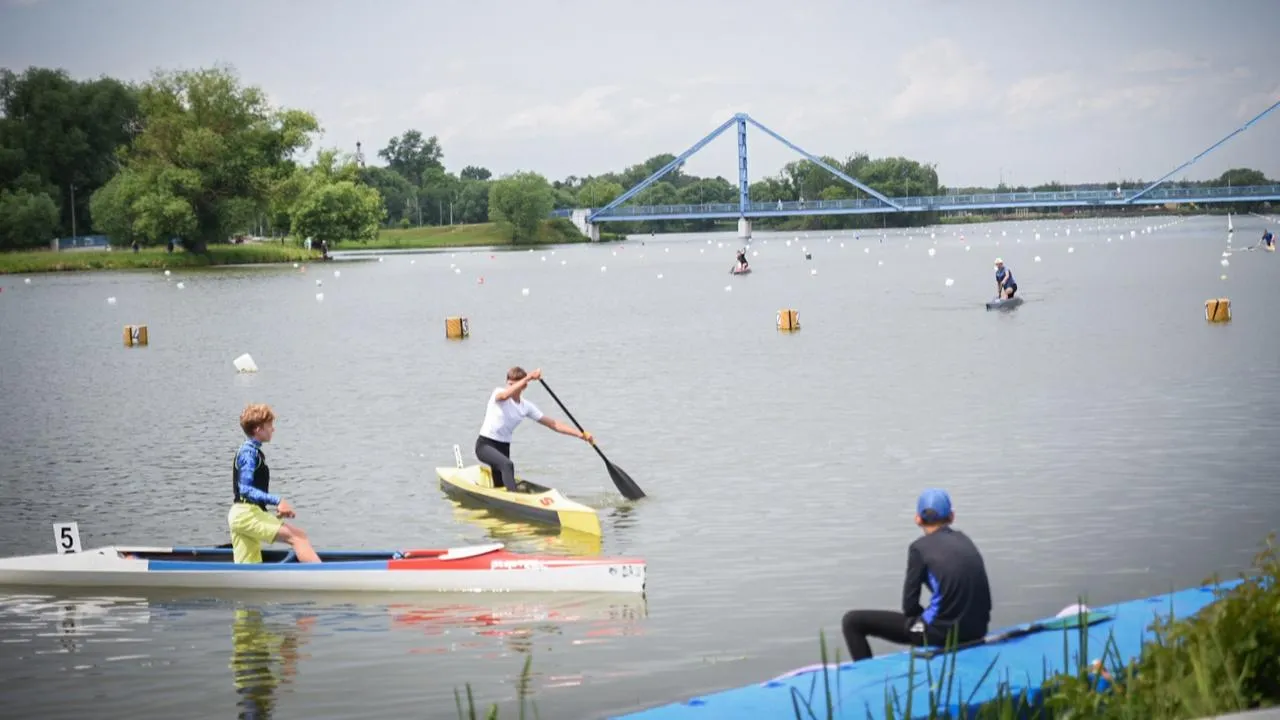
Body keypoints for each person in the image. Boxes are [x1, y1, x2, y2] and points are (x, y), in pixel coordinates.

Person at [841, 489, 992, 661]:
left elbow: (909, 606)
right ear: (951, 516)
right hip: (978, 630)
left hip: (942, 633)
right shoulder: (965, 540)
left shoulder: (918, 549)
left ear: (918, 519)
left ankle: (866, 677)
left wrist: (923, 620)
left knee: (852, 621)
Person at [475, 367, 594, 492]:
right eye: (509, 384)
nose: (510, 387)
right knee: (507, 465)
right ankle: (516, 500)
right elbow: (504, 395)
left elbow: (553, 424)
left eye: (514, 385)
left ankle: (502, 500)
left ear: (523, 387)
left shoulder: (526, 406)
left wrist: (580, 434)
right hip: (485, 445)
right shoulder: (498, 393)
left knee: (500, 486)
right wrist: (529, 377)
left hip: (503, 448)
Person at [229, 403, 320, 564]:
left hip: (245, 513)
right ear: (258, 429)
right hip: (246, 515)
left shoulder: (252, 451)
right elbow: (245, 489)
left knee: (250, 567)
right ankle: (323, 579)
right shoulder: (248, 453)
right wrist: (278, 501)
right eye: (269, 425)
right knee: (298, 537)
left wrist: (270, 506)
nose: (273, 429)